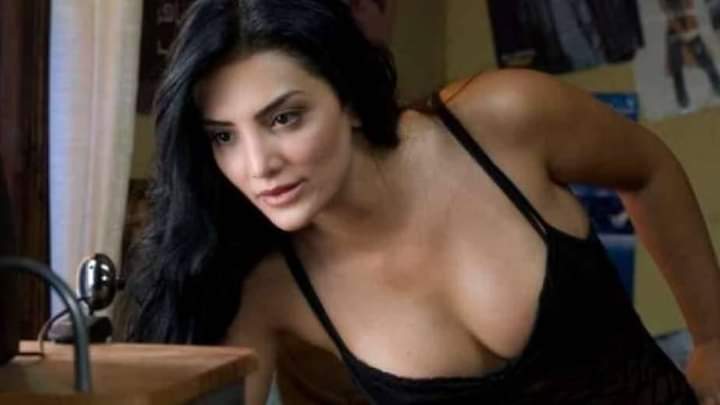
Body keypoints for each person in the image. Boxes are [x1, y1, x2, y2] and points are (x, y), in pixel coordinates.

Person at [125, 0, 720, 403]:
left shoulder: (501, 123)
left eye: (284, 118)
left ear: (348, 97)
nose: (257, 166)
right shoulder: (265, 288)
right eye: (223, 137)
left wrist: (713, 340)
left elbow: (648, 170)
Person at [659, 0, 720, 109]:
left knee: (705, 62)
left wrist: (689, 32)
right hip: (678, 29)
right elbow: (670, 15)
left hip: (684, 28)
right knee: (678, 67)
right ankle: (683, 102)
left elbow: (688, 10)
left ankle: (684, 102)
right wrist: (684, 35)